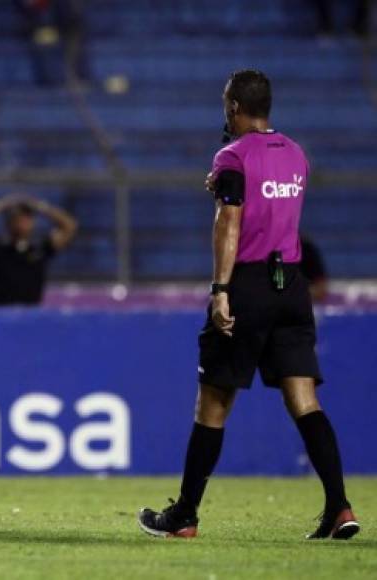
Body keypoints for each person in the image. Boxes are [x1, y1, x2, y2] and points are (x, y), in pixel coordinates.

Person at [138, 69, 358, 540]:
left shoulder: (232, 156)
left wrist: (220, 290)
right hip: (292, 285)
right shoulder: (297, 154)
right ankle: (339, 506)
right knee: (304, 399)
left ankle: (186, 515)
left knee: (213, 402)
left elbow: (230, 224)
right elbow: (271, 204)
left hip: (249, 284)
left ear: (233, 106)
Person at [0, 193, 78, 306]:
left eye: (26, 218)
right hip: (1, 312)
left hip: (32, 315)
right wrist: (3, 205)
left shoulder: (41, 247)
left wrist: (41, 207)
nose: (22, 222)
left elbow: (70, 226)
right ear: (9, 222)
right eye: (17, 218)